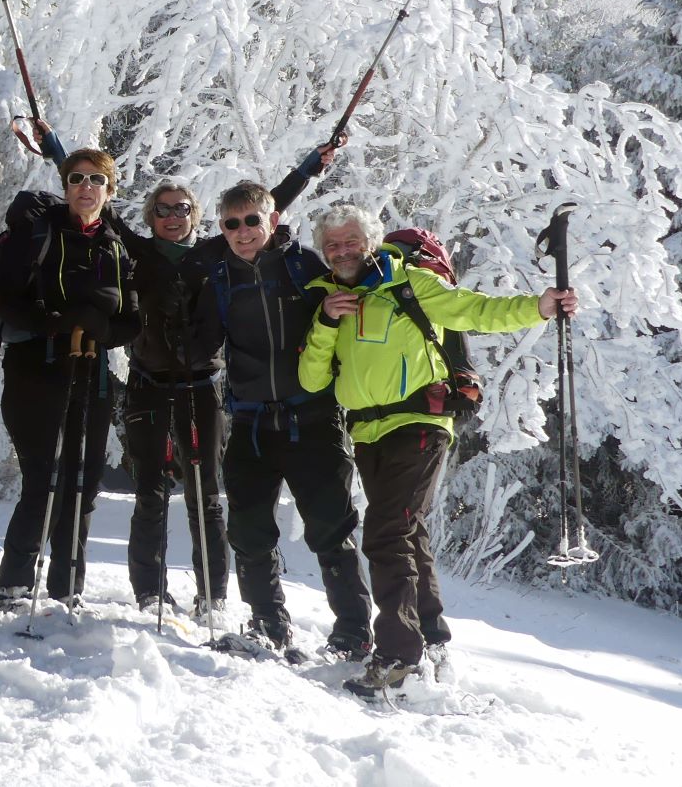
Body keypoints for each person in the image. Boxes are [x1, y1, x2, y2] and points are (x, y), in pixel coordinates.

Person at [299, 202, 578, 696]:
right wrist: (323, 323)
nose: (341, 251)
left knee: (387, 534)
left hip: (420, 423)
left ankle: (398, 658)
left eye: (350, 242)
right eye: (332, 245)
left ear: (371, 242)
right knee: (408, 531)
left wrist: (539, 305)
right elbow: (312, 377)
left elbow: (473, 309)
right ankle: (432, 638)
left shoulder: (409, 284)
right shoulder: (328, 299)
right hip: (366, 433)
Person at [180, 172, 372, 662]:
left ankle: (353, 633)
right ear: (221, 229)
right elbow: (199, 345)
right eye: (231, 224)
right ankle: (268, 623)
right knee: (248, 530)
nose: (243, 231)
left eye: (252, 221)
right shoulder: (218, 277)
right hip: (249, 422)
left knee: (331, 528)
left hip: (313, 418)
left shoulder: (305, 266)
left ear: (272, 220)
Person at [0, 147, 140, 610]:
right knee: (44, 475)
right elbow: (4, 298)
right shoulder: (38, 234)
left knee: (85, 480)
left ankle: (67, 585)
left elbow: (132, 319)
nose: (85, 188)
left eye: (96, 180)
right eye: (76, 179)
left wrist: (102, 328)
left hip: (91, 370)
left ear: (110, 191)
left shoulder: (116, 245)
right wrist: (53, 320)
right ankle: (13, 581)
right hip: (36, 368)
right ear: (65, 185)